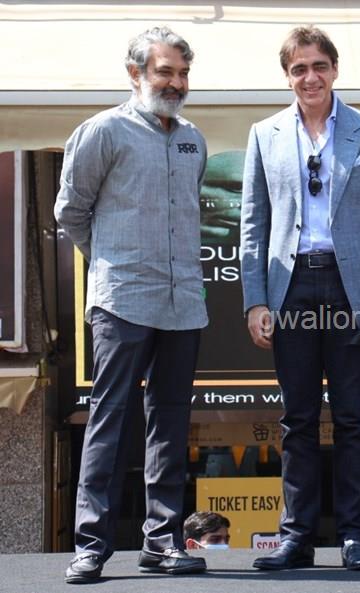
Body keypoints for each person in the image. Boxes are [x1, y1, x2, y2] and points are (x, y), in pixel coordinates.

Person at [240, 25, 360, 572]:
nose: (310, 77)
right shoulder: (263, 134)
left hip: (348, 286)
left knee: (353, 419)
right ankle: (297, 538)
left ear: (335, 70)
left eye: (318, 66)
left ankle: (355, 537)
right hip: (289, 287)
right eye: (299, 69)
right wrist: (255, 300)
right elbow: (253, 225)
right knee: (297, 419)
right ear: (287, 76)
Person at [54, 26, 208, 584]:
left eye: (183, 74)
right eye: (165, 71)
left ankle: (162, 542)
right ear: (135, 73)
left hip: (183, 302)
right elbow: (70, 211)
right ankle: (91, 546)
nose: (176, 83)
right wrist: (111, 261)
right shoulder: (102, 131)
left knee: (171, 423)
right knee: (110, 421)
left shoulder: (193, 139)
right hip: (121, 300)